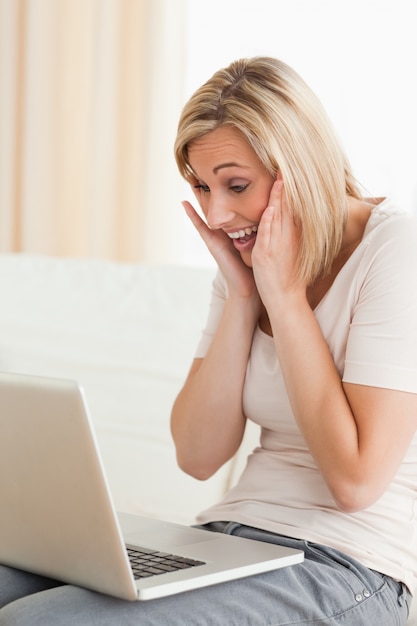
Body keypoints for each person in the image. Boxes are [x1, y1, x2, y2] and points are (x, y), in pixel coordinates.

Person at [1, 56, 416, 625]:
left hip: (349, 566)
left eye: (236, 185)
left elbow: (356, 481)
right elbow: (198, 455)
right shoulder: (245, 261)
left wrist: (286, 297)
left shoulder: (396, 252)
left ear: (300, 167)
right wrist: (245, 296)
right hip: (228, 542)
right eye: (201, 187)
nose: (217, 214)